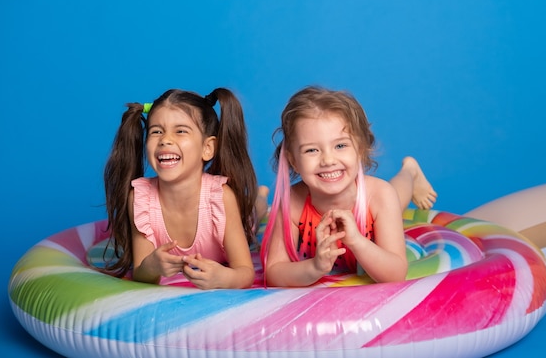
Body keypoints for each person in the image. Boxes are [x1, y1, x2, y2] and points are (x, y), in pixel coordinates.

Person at [260, 86, 437, 287]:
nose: (328, 160)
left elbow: (396, 274)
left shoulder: (379, 196)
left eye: (340, 146)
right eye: (312, 150)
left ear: (360, 149)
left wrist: (356, 241)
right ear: (293, 161)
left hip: (372, 199)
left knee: (396, 196)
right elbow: (275, 272)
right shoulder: (293, 202)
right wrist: (315, 267)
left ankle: (409, 171)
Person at [103, 88, 267, 289]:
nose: (165, 140)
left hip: (233, 216)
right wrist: (152, 266)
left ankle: (261, 197)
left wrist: (224, 278)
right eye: (157, 131)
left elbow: (245, 272)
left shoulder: (221, 197)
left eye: (180, 131)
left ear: (207, 148)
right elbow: (141, 272)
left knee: (251, 218)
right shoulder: (140, 198)